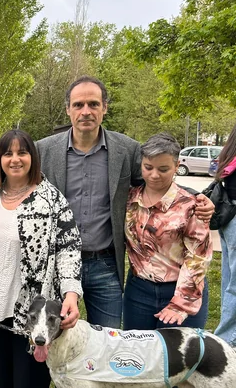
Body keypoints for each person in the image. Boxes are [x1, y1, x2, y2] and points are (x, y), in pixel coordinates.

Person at [36, 75, 214, 328]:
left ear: (104, 107)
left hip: (105, 264)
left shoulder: (126, 149)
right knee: (52, 334)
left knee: (109, 339)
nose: (86, 111)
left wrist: (196, 198)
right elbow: (19, 185)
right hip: (57, 262)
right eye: (78, 105)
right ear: (68, 109)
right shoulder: (43, 150)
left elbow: (156, 178)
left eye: (93, 104)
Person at [0, 129, 81, 388]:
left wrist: (71, 294)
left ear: (33, 158)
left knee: (28, 382)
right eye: (8, 153)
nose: (15, 159)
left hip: (33, 311)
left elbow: (70, 249)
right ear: (0, 159)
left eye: (22, 153)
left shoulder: (51, 199)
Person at [123, 133, 212, 329]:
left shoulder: (191, 205)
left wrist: (181, 303)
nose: (154, 175)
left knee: (176, 349)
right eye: (148, 167)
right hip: (138, 292)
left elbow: (198, 257)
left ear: (177, 165)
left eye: (163, 169)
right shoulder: (129, 199)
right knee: (137, 348)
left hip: (181, 290)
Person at [213, 123, 236, 347]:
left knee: (230, 281)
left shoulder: (231, 151)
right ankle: (227, 339)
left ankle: (225, 338)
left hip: (229, 217)